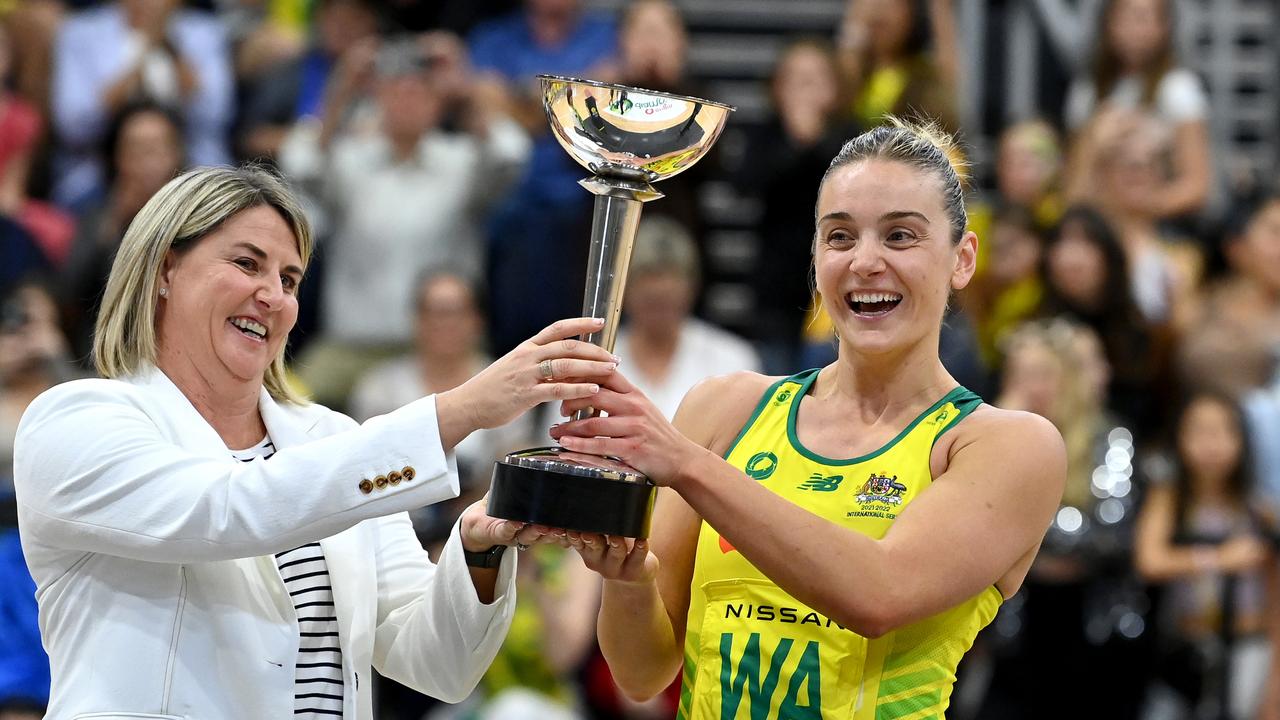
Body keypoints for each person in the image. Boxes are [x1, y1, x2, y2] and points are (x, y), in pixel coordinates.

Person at [12, 165, 620, 718]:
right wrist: (456, 412)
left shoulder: (332, 440)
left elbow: (436, 664)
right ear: (165, 269)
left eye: (290, 277)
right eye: (247, 264)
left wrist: (478, 548)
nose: (273, 296)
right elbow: (227, 511)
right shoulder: (75, 421)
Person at [548, 119, 1067, 719]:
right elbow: (640, 674)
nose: (865, 261)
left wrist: (689, 465)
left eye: (900, 236)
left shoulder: (1005, 445)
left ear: (962, 258)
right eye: (840, 237)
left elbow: (878, 593)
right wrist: (627, 575)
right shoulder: (724, 408)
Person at [280, 35, 531, 408]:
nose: (407, 101)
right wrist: (340, 90)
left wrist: (466, 87)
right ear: (378, 100)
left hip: (446, 349)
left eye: (420, 92)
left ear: (437, 103)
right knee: (288, 403)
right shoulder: (350, 163)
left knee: (504, 409)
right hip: (354, 347)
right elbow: (297, 164)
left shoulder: (461, 162)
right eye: (396, 91)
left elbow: (512, 156)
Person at [1134, 391, 1278, 720]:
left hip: (1248, 646)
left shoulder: (1258, 511)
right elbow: (1149, 561)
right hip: (1184, 648)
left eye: (1223, 431)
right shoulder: (1170, 499)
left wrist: (1275, 681)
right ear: (1179, 437)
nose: (1210, 444)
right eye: (1198, 431)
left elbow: (1275, 597)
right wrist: (1217, 558)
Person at [1063, 0, 1211, 220]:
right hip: (1099, 225)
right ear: (1107, 23)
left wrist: (1138, 207)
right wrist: (1094, 142)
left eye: (1142, 18)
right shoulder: (1088, 90)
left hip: (1158, 227)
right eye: (1124, 17)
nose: (1133, 29)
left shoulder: (1179, 88)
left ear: (1164, 27)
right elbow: (1071, 187)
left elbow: (1196, 187)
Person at [612, 216, 760, 420]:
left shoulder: (733, 359)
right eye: (645, 276)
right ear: (623, 289)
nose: (658, 288)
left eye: (670, 275)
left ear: (692, 286)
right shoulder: (597, 361)